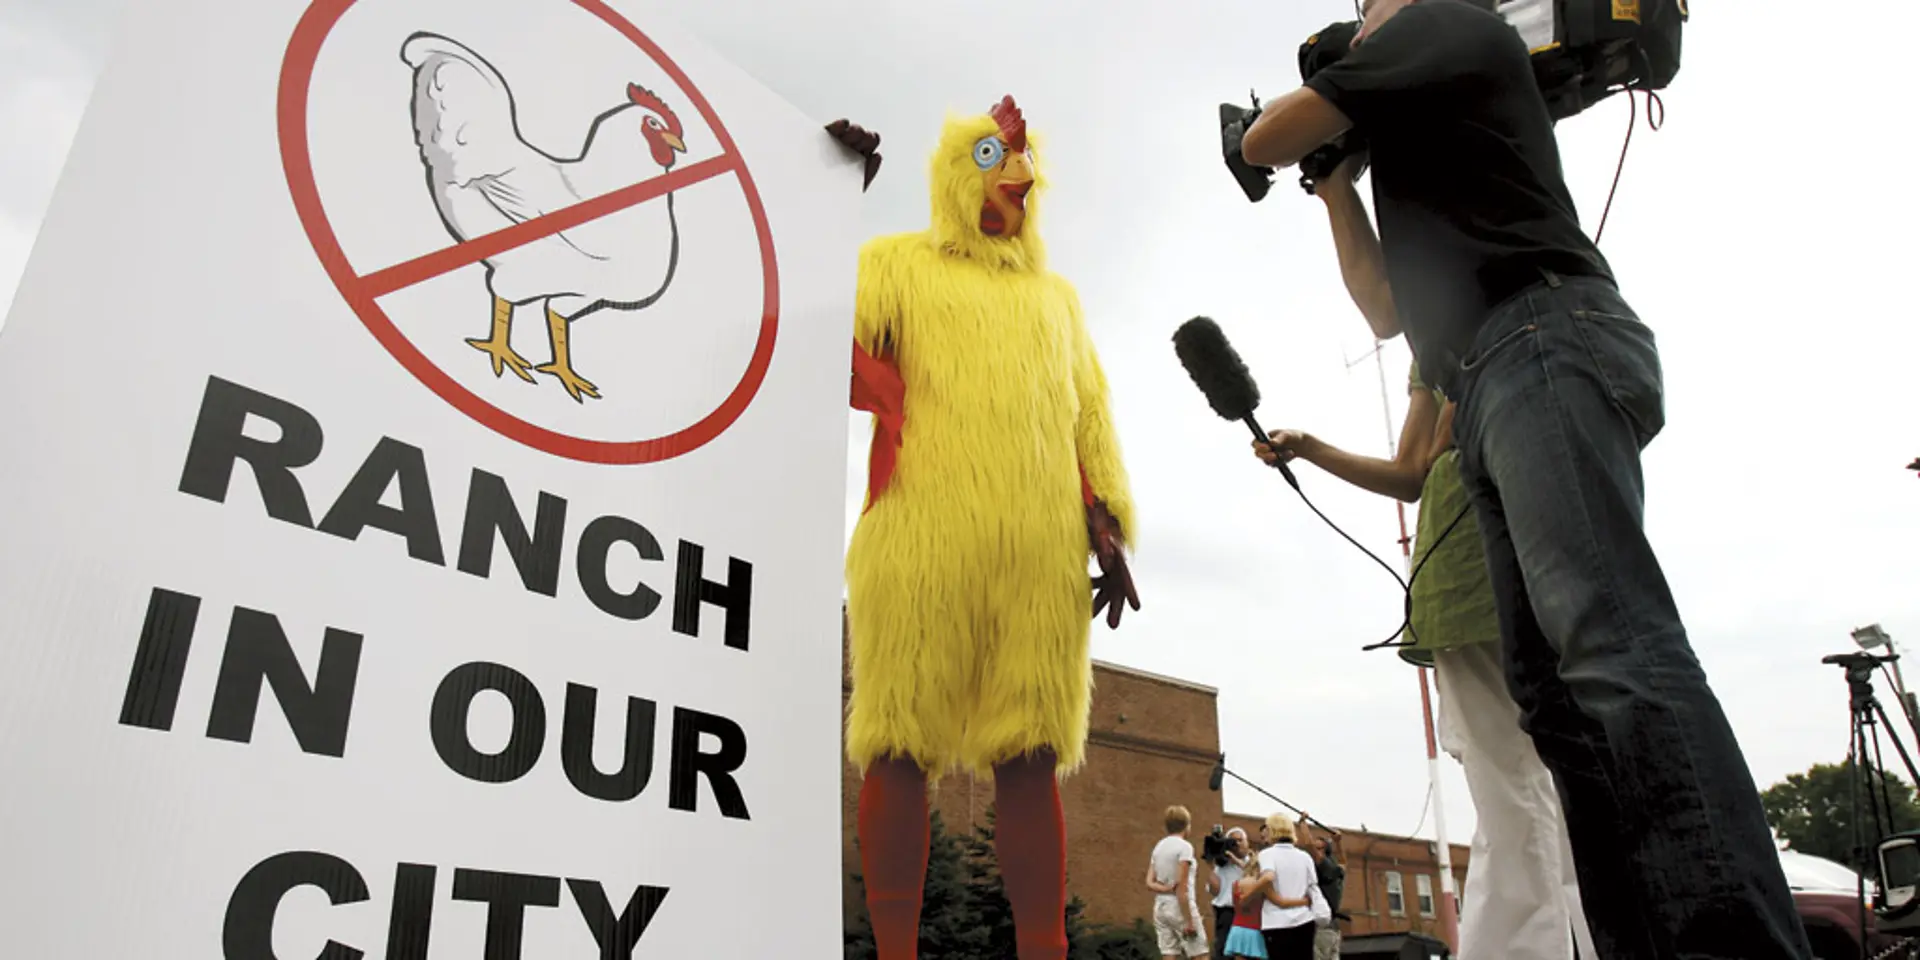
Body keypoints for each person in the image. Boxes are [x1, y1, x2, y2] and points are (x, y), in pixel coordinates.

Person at [1236, 1, 1811, 956]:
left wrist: (1290, 130)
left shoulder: (1444, 24)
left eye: (1364, 6)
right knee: (1553, 702)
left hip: (1542, 333)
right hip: (1491, 365)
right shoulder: (1421, 116)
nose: (1357, 16)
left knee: (1612, 648)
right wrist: (1338, 186)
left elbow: (1261, 139)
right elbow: (1385, 310)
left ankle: (1733, 942)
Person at [1256, 376, 1597, 959]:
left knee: (1527, 796)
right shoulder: (1431, 345)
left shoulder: (1467, 320)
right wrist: (1309, 447)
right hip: (1477, 583)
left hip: (1504, 569)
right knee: (1522, 796)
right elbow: (1412, 470)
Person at [1148, 806, 1211, 960]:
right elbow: (1181, 887)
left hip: (1161, 906)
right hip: (1180, 905)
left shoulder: (1158, 847)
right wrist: (1189, 921)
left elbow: (1149, 882)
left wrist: (1164, 888)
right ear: (1186, 825)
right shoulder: (1185, 847)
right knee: (1200, 954)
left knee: (1169, 953)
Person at [1253, 814, 1319, 960]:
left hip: (1276, 921)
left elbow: (1268, 877)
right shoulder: (1305, 856)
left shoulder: (1266, 854)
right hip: (1305, 920)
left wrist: (1251, 891)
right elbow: (1312, 885)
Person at [1293, 817, 1348, 960]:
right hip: (1334, 929)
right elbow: (1343, 860)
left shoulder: (1324, 867)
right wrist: (1338, 842)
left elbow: (1309, 845)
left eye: (1319, 848)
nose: (1314, 852)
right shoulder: (1336, 867)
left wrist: (1302, 823)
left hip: (1322, 927)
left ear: (1323, 851)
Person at [1207, 828, 1253, 960]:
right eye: (1234, 841)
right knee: (1224, 952)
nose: (1237, 844)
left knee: (1246, 953)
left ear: (1247, 842)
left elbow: (1254, 875)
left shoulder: (1252, 862)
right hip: (1226, 912)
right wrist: (1210, 866)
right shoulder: (1222, 865)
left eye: (1240, 840)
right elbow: (1214, 891)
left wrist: (1236, 861)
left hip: (1247, 912)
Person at [1226, 865, 1276, 959]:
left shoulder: (1236, 884)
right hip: (1255, 930)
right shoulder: (1262, 886)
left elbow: (1236, 905)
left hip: (1237, 928)